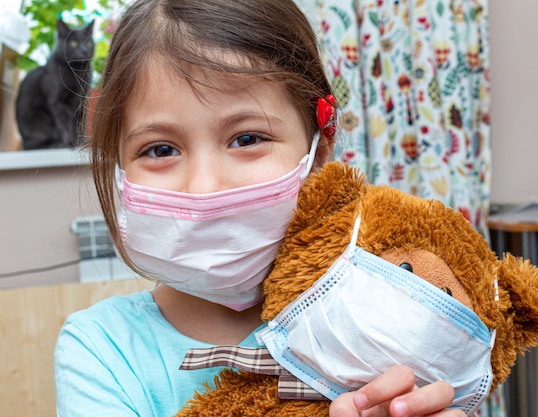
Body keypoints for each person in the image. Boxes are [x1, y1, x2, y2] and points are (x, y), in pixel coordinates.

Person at [54, 0, 464, 416]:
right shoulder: (100, 350)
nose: (205, 188)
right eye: (161, 149)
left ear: (319, 145)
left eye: (247, 139)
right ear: (119, 162)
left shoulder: (387, 316)